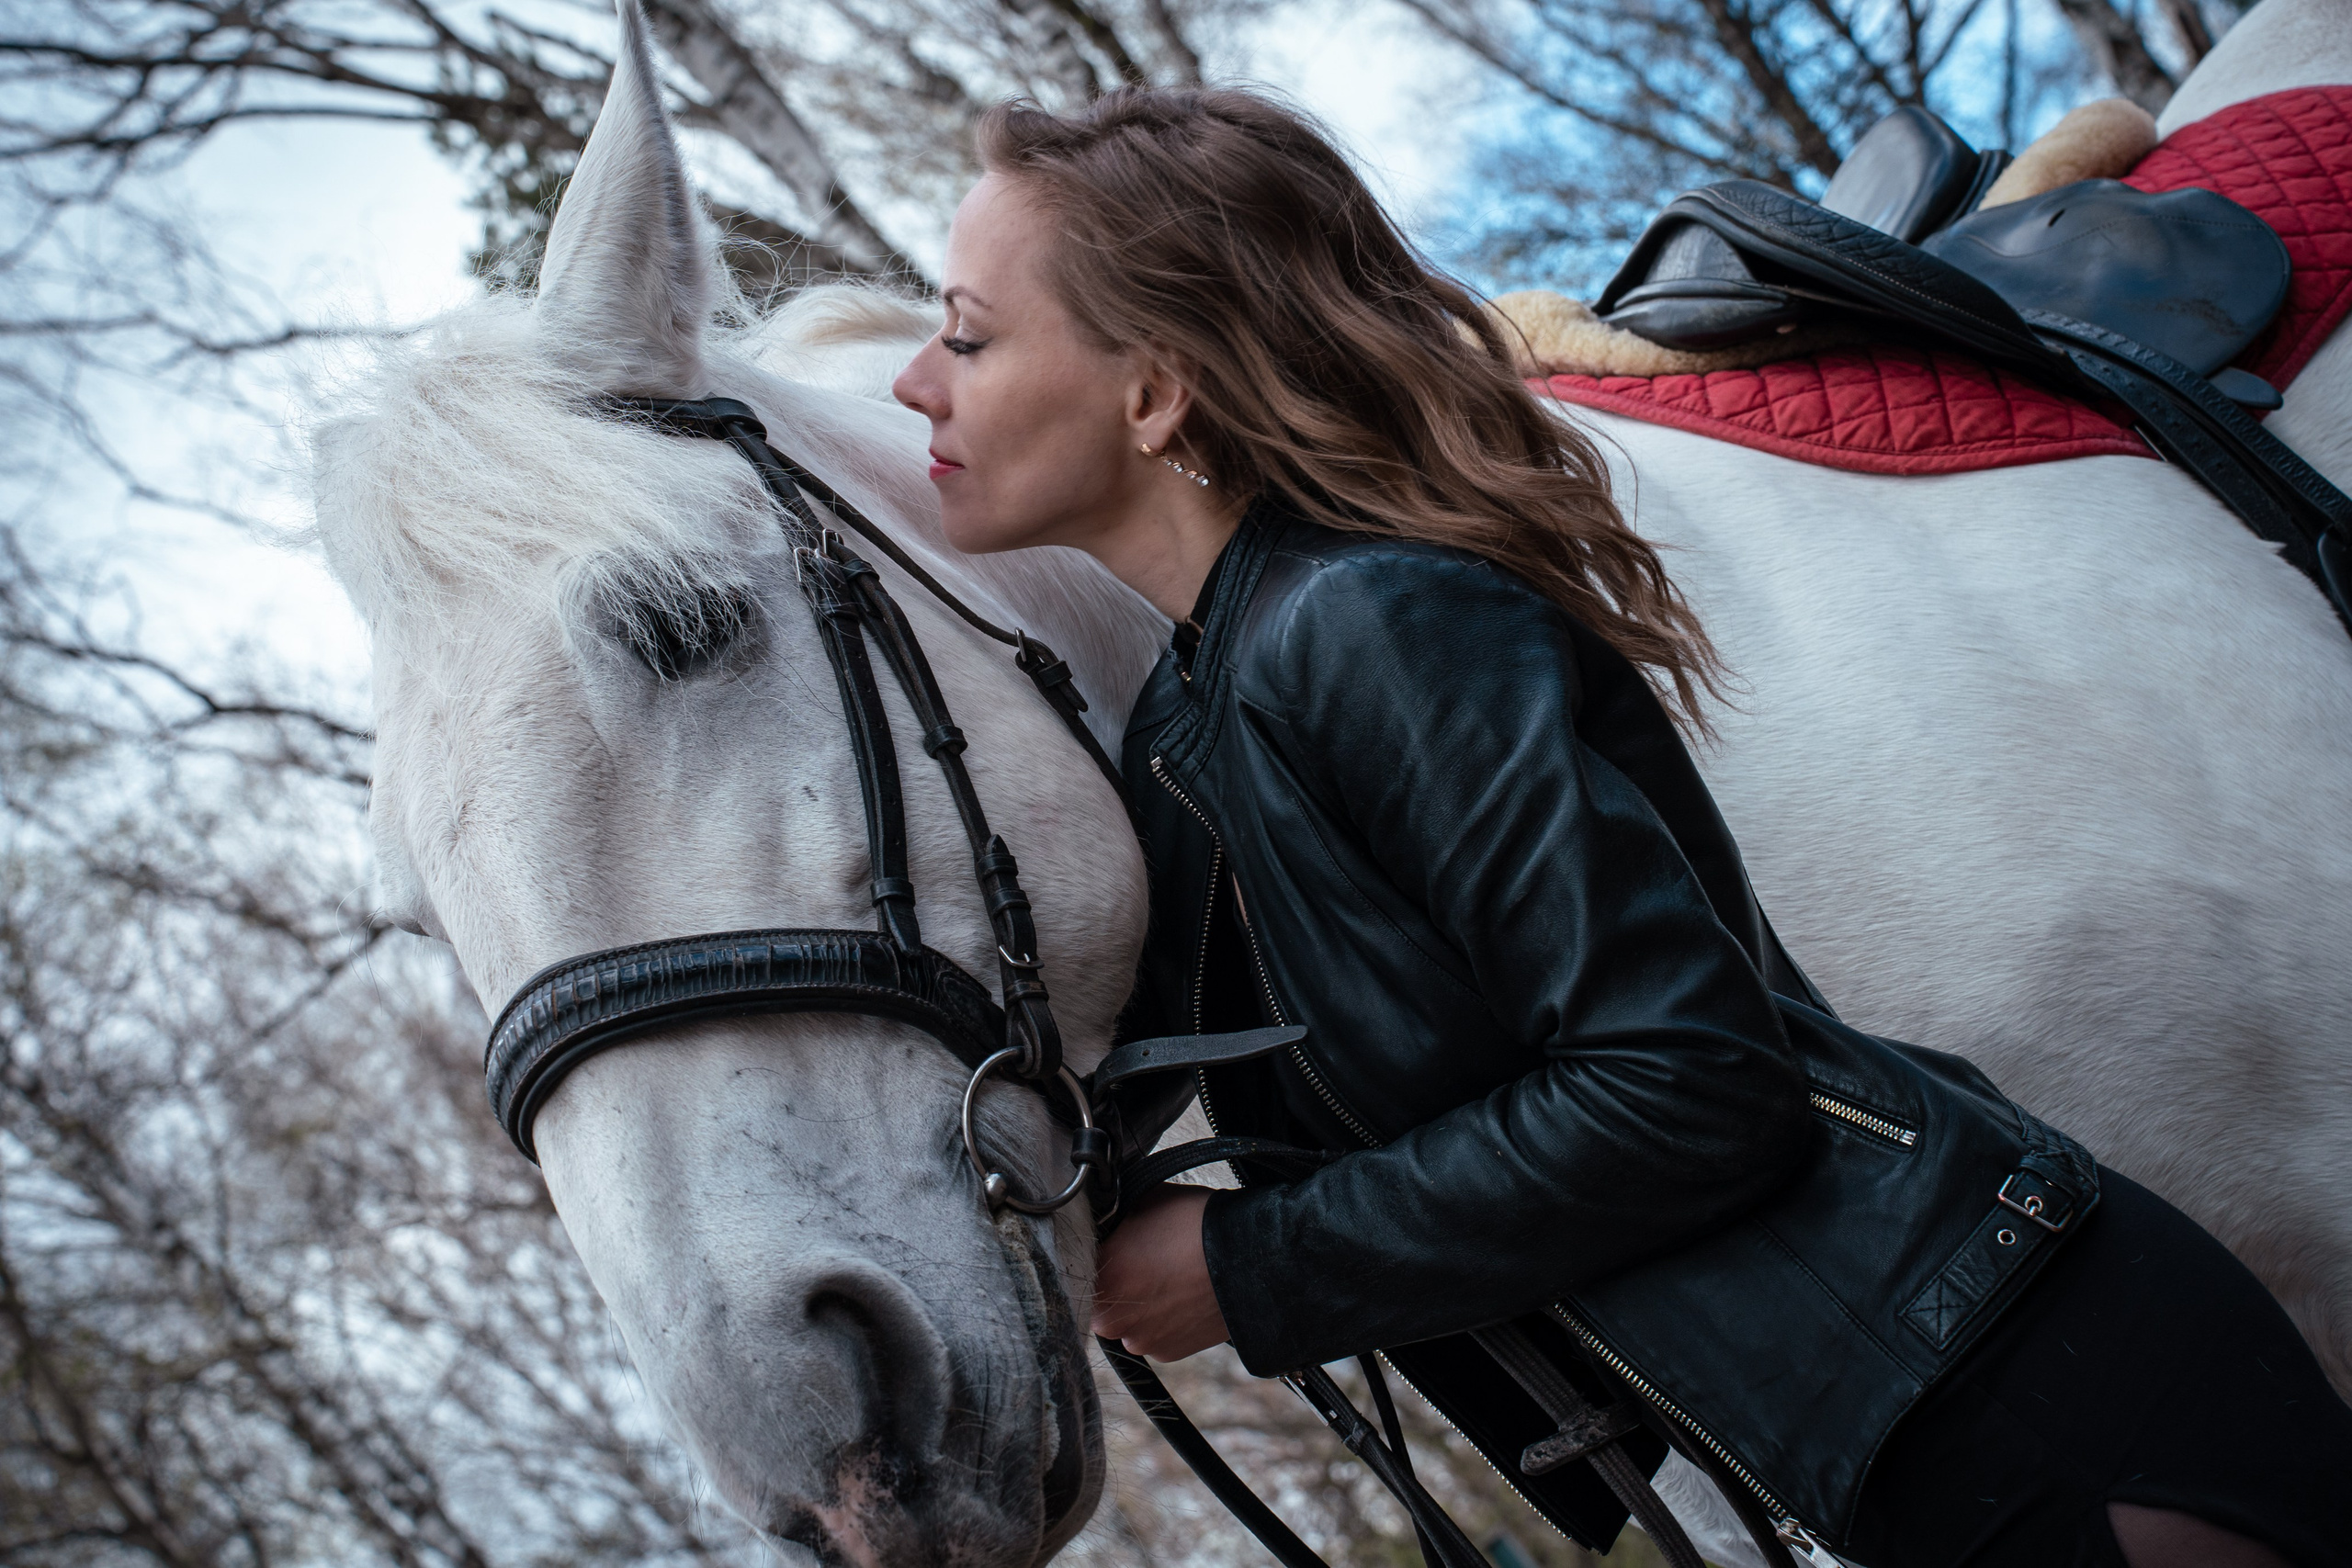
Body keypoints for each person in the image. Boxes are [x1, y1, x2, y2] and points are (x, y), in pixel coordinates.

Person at [888, 85, 2352, 1568]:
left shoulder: (1376, 621)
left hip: (2022, 1398)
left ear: (1155, 394)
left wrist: (1246, 1265)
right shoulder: (1198, 713)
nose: (913, 384)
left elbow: (1691, 1080)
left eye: (968, 336)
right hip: (1903, 1426)